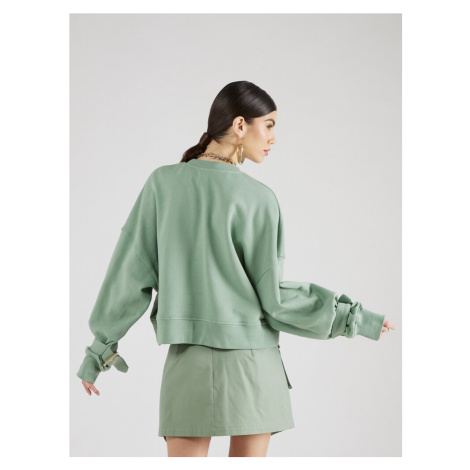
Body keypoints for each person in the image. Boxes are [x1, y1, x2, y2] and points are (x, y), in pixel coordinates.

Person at [77, 80, 396, 457]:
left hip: (189, 362)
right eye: (269, 125)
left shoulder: (162, 184)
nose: (273, 138)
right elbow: (275, 299)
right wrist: (351, 317)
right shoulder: (260, 199)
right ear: (240, 125)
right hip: (254, 364)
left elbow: (130, 273)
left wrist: (100, 348)